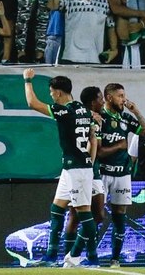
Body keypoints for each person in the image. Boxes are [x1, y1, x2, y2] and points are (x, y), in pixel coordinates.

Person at [22, 69, 99, 268]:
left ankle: (88, 257)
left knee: (84, 213)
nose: (51, 96)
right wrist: (89, 160)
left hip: (77, 169)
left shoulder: (64, 110)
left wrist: (28, 80)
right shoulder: (83, 109)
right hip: (72, 167)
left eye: (51, 92)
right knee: (57, 209)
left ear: (57, 92)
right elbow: (92, 136)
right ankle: (51, 255)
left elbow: (32, 103)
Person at [97, 82, 145, 268]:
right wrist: (118, 146)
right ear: (109, 97)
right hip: (102, 172)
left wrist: (136, 112)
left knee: (120, 214)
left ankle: (115, 259)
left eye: (124, 95)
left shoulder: (126, 118)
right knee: (96, 215)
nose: (124, 99)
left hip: (122, 174)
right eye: (120, 96)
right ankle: (89, 254)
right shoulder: (99, 117)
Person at [62, 86, 106, 260]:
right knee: (75, 215)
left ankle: (76, 253)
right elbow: (96, 146)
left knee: (98, 215)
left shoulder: (97, 118)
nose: (102, 101)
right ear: (93, 102)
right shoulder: (83, 118)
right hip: (82, 170)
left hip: (93, 172)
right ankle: (75, 256)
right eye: (100, 98)